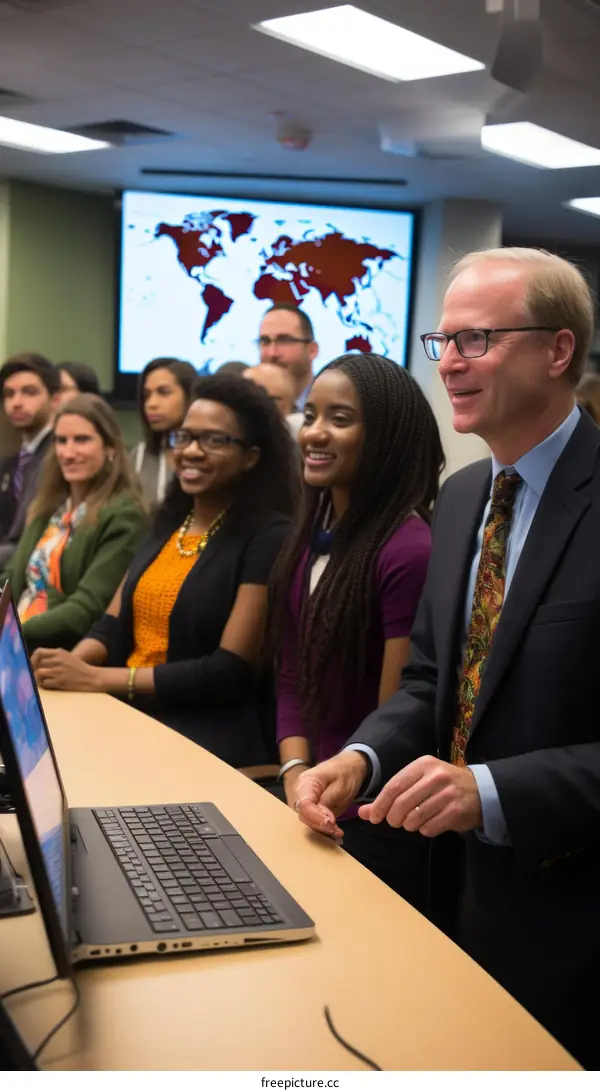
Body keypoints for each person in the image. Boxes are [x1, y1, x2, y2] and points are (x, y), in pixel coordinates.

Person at [293, 247, 600, 1069]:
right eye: (443, 342)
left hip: (574, 911)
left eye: (478, 340)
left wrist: (490, 788)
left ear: (558, 350)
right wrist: (358, 757)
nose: (451, 364)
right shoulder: (464, 496)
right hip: (453, 890)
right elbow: (434, 678)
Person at [32, 375, 300, 768]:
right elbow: (109, 624)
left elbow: (228, 670)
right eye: (185, 437)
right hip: (127, 713)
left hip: (203, 732)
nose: (191, 451)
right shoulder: (168, 521)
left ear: (251, 456)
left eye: (214, 440)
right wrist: (68, 667)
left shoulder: (268, 535)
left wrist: (97, 680)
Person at [271, 353, 444, 907]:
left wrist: (317, 793)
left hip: (368, 820)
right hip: (309, 797)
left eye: (339, 418)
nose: (314, 432)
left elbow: (392, 722)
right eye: (310, 413)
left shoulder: (408, 550)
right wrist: (296, 772)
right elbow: (292, 678)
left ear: (386, 438)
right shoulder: (316, 532)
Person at [2, 394, 147, 652]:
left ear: (110, 447)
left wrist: (11, 633)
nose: (68, 453)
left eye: (82, 440)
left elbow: (85, 609)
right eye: (61, 441)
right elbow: (11, 579)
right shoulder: (48, 505)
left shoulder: (125, 515)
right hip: (15, 640)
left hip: (58, 652)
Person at [0, 353, 60, 570]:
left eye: (29, 392)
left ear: (55, 399)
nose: (16, 402)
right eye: (9, 394)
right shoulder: (9, 466)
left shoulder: (62, 457)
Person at [131, 357, 198, 507]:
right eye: (146, 396)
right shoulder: (138, 456)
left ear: (189, 395)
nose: (151, 404)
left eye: (164, 392)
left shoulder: (206, 454)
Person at [258, 304, 318, 411]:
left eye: (284, 340)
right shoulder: (250, 410)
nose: (272, 354)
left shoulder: (331, 406)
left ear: (312, 350)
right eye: (265, 341)